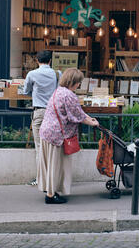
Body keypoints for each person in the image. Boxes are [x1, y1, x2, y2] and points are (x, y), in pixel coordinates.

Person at [38, 68, 99, 204]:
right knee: (56, 165)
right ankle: (50, 195)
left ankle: (49, 189)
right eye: (78, 82)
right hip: (56, 135)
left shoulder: (58, 91)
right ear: (73, 82)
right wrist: (93, 123)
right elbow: (77, 115)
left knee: (49, 164)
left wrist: (89, 118)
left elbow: (78, 112)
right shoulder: (69, 95)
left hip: (47, 132)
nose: (79, 85)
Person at [23, 50, 60, 185]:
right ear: (50, 61)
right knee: (53, 146)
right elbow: (59, 92)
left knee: (39, 147)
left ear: (37, 61)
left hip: (39, 112)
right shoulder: (57, 74)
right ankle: (53, 177)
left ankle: (41, 178)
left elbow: (25, 91)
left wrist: (35, 93)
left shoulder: (32, 74)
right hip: (53, 113)